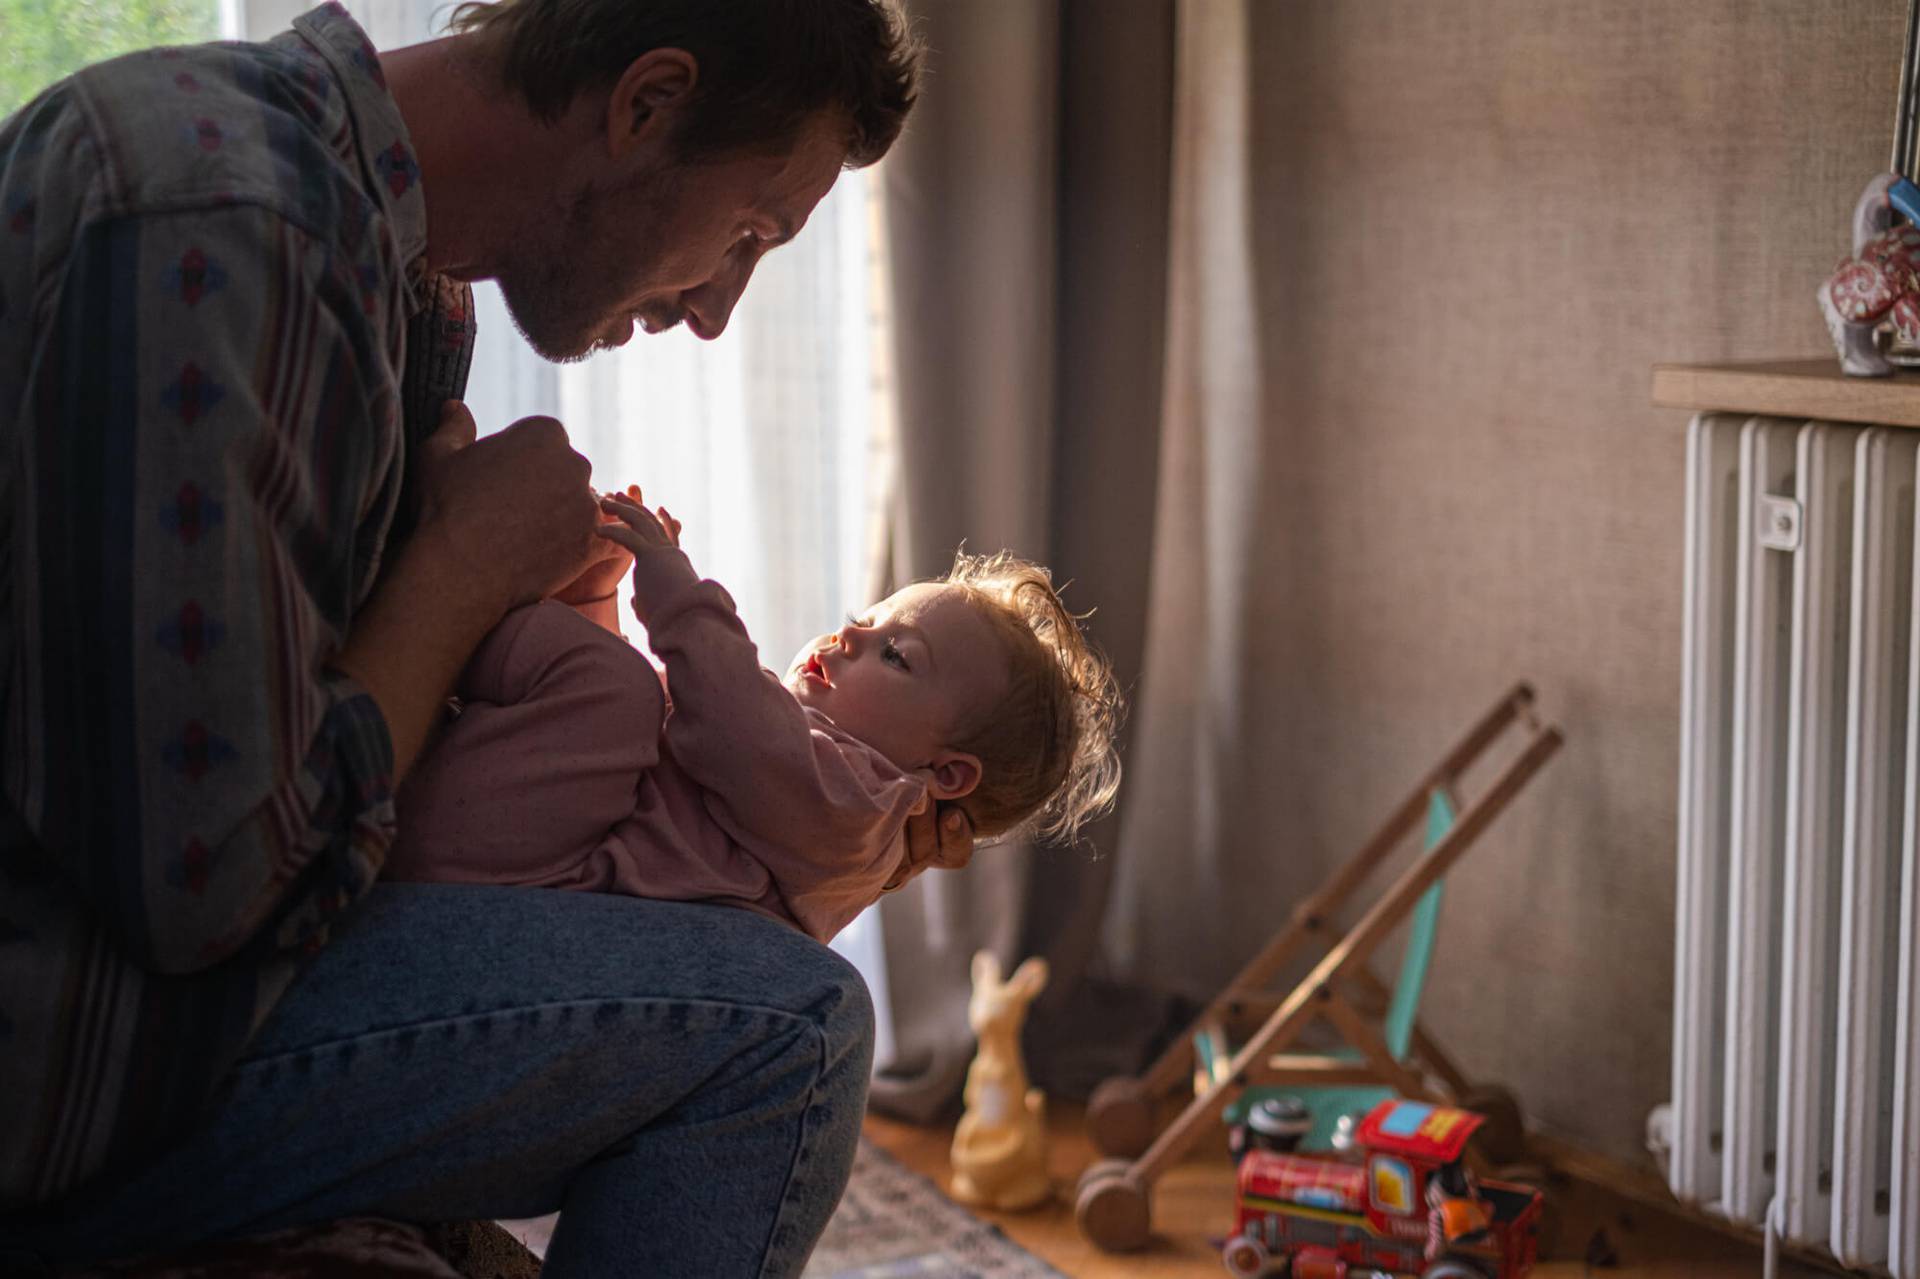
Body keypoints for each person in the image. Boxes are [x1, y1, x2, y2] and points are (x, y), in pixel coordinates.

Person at [0, 2, 957, 1273]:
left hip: (170, 973)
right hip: (71, 1045)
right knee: (794, 1027)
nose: (720, 308)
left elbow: (354, 707)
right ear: (644, 104)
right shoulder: (225, 226)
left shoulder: (402, 281)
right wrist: (461, 566)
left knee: (756, 966)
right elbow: (211, 888)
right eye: (748, 232)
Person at [386, 490, 1124, 944]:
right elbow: (622, 758)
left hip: (537, 884)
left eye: (895, 655)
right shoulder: (809, 768)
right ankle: (444, 624)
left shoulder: (857, 812)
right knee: (615, 681)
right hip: (543, 854)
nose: (847, 637)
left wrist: (677, 589)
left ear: (946, 771)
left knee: (617, 689)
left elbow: (730, 725)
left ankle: (434, 605)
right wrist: (595, 600)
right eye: (862, 620)